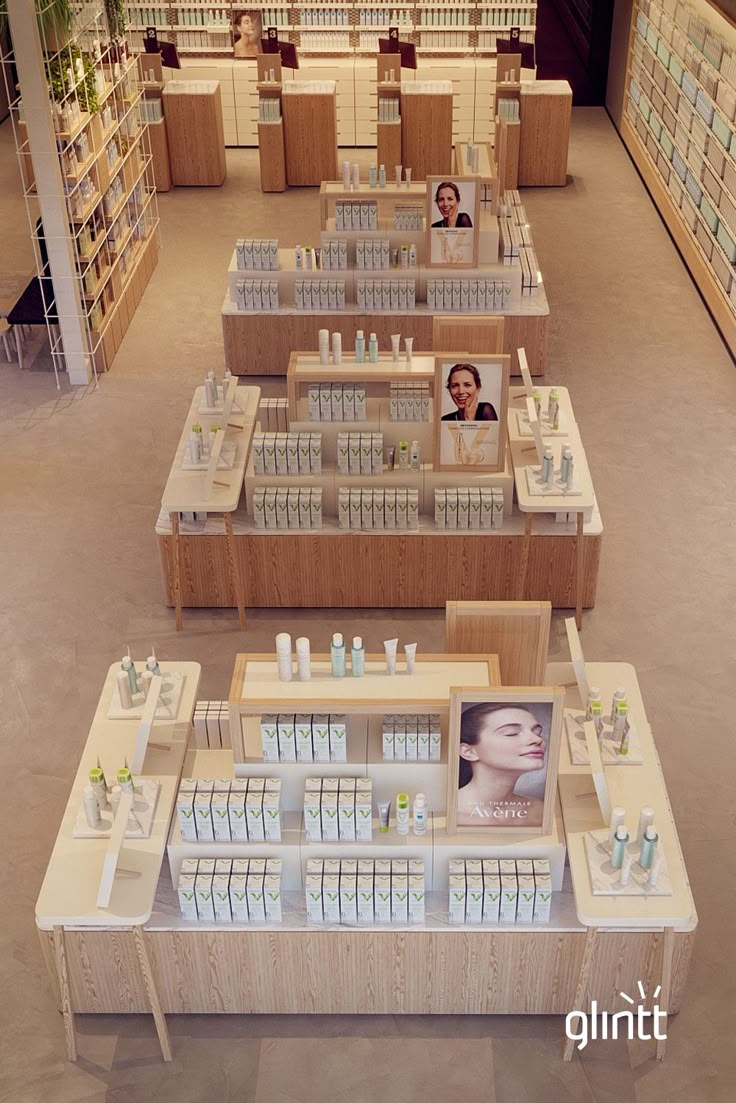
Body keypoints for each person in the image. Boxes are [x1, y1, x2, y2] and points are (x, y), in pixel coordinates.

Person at [456, 703, 547, 827]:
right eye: (512, 733)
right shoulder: (450, 815)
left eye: (537, 733)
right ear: (469, 752)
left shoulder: (540, 812)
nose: (537, 740)